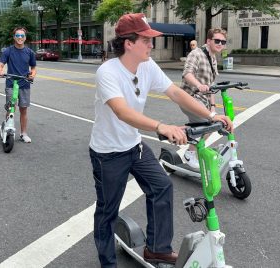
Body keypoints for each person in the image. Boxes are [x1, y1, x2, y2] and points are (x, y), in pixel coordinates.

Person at [88, 14, 233, 268]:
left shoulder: (147, 66)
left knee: (162, 186)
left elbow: (175, 92)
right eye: (146, 40)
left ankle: (157, 249)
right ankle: (107, 263)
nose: (151, 45)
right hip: (108, 153)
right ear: (128, 43)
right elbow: (122, 112)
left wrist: (211, 114)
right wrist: (161, 126)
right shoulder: (107, 72)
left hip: (134, 147)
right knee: (107, 210)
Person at [180, 28, 227, 169]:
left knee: (213, 124)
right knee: (207, 124)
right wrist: (199, 85)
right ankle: (190, 153)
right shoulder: (196, 54)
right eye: (217, 41)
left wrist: (213, 106)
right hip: (190, 98)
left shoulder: (212, 58)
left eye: (223, 42)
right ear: (208, 41)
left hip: (203, 100)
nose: (220, 44)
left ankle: (195, 150)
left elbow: (211, 85)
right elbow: (187, 74)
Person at [0, 27, 37, 143]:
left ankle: (23, 133)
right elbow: (0, 64)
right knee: (10, 108)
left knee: (23, 110)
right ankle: (7, 129)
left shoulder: (30, 52)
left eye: (22, 36)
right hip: (11, 83)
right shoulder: (8, 51)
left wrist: (32, 75)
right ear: (14, 37)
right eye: (17, 36)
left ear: (25, 38)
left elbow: (33, 68)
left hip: (24, 84)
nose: (20, 38)